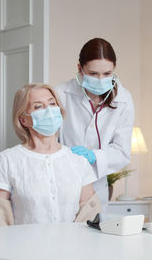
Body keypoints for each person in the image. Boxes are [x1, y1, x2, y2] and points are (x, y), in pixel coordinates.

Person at [0, 84, 101, 228]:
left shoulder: (78, 162)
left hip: (70, 248)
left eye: (52, 104)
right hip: (23, 248)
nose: (49, 111)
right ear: (24, 120)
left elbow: (90, 216)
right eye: (38, 107)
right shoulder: (8, 161)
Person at [54, 38, 135, 208]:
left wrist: (93, 156)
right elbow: (48, 140)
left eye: (107, 74)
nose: (100, 80)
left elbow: (122, 152)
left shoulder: (123, 100)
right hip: (61, 179)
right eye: (93, 74)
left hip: (96, 186)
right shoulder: (61, 94)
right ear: (80, 69)